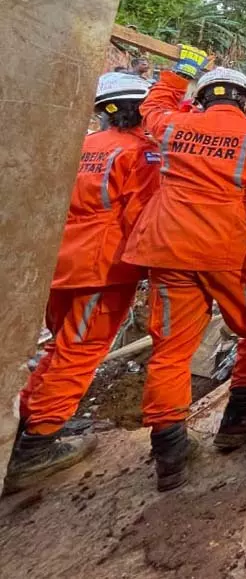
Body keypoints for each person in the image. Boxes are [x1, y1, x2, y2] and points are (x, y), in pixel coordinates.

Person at [121, 49, 246, 491]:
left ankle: (169, 453)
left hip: (168, 248)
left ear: (202, 96)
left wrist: (182, 71)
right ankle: (238, 416)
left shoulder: (173, 125)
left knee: (170, 349)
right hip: (229, 250)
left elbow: (151, 106)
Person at [6, 74, 161, 494]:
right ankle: (37, 449)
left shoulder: (82, 145)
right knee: (79, 352)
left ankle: (26, 422)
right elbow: (141, 216)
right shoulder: (142, 154)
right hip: (102, 266)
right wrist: (151, 264)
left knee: (60, 345)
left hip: (58, 259)